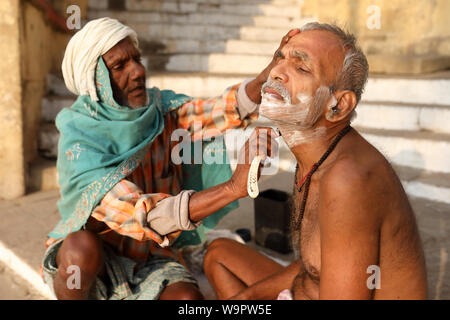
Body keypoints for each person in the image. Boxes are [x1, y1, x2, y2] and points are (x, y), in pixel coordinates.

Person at [41, 17, 295, 300]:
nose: (138, 71)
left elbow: (217, 110)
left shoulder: (159, 110)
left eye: (136, 59)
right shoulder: (80, 143)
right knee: (79, 251)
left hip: (151, 255)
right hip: (100, 257)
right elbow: (144, 215)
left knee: (188, 300)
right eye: (119, 66)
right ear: (94, 80)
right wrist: (233, 187)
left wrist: (264, 79)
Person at [203, 22, 428, 300]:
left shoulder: (348, 180)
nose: (276, 73)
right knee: (218, 255)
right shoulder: (315, 153)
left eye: (301, 68)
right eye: (280, 58)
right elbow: (315, 265)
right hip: (310, 288)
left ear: (338, 106)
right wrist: (246, 299)